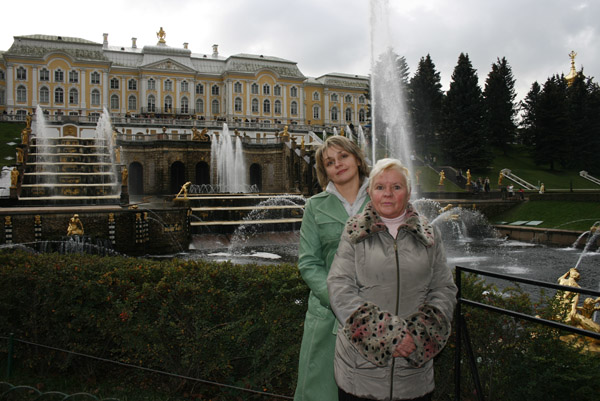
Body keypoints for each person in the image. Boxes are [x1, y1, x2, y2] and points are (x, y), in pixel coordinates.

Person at [327, 158, 457, 401]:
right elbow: (340, 288)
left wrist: (417, 336)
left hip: (414, 376)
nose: (387, 194)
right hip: (359, 375)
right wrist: (388, 335)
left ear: (408, 192)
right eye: (380, 187)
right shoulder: (354, 231)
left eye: (396, 187)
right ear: (370, 192)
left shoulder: (429, 234)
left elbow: (444, 289)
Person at [294, 136, 371, 401]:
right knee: (323, 392)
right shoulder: (315, 206)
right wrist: (339, 300)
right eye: (329, 162)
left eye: (343, 156)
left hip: (377, 311)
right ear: (324, 171)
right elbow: (309, 263)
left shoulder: (382, 198)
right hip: (329, 316)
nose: (337, 164)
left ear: (357, 159)